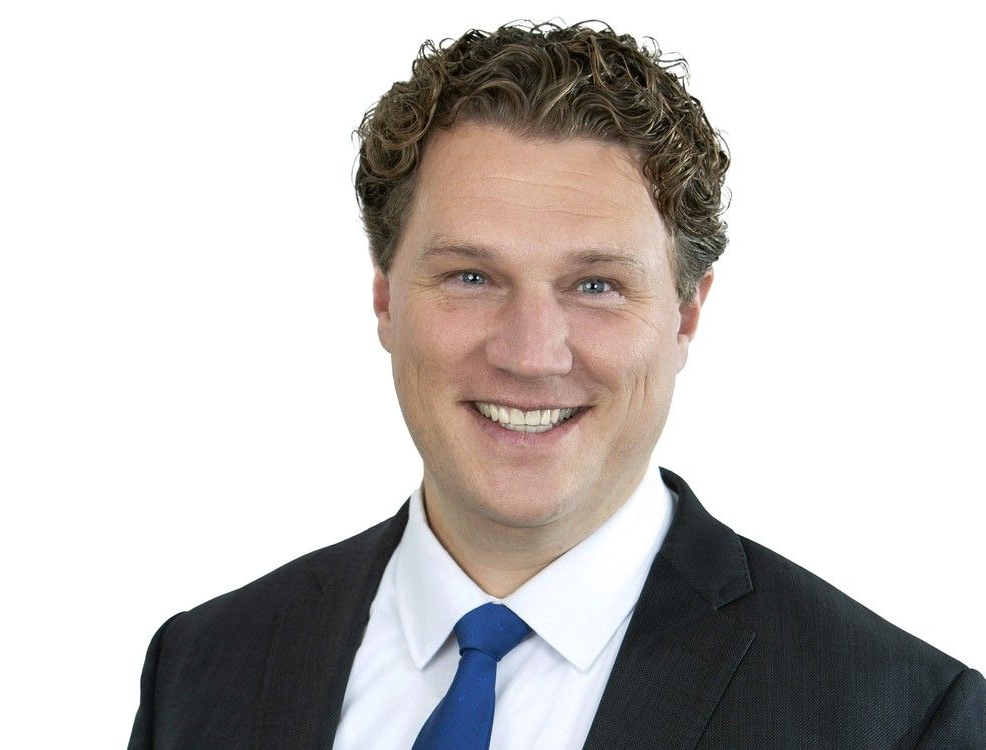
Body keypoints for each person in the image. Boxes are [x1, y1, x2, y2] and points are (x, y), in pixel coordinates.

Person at [127, 20, 986, 749]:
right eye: (470, 276)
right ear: (385, 299)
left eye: (596, 285)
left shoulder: (901, 719)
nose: (531, 354)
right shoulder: (202, 669)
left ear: (686, 317)